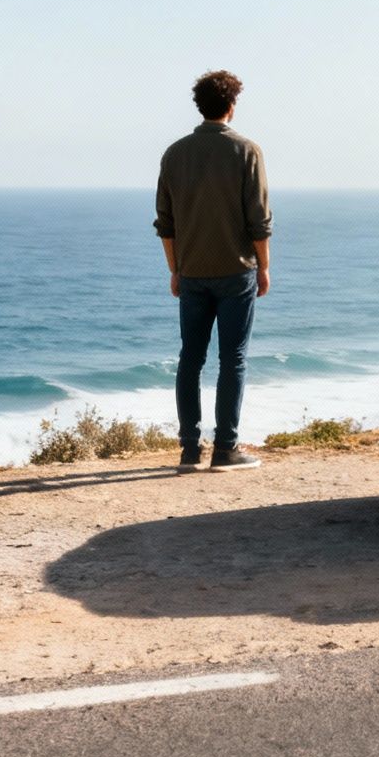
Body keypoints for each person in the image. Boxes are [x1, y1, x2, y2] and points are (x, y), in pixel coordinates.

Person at [154, 70, 272, 474]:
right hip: (236, 271)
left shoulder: (174, 154)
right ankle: (226, 449)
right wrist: (266, 267)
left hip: (191, 273)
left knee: (191, 358)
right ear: (232, 106)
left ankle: (189, 450)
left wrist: (175, 269)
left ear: (199, 105)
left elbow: (165, 223)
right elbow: (258, 220)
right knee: (232, 360)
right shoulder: (246, 151)